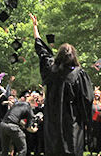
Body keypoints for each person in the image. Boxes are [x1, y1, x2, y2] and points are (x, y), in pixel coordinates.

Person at [31, 13, 94, 156]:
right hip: (72, 124)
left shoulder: (51, 69)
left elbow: (42, 51)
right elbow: (87, 99)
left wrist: (35, 29)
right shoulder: (79, 74)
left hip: (52, 123)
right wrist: (87, 122)